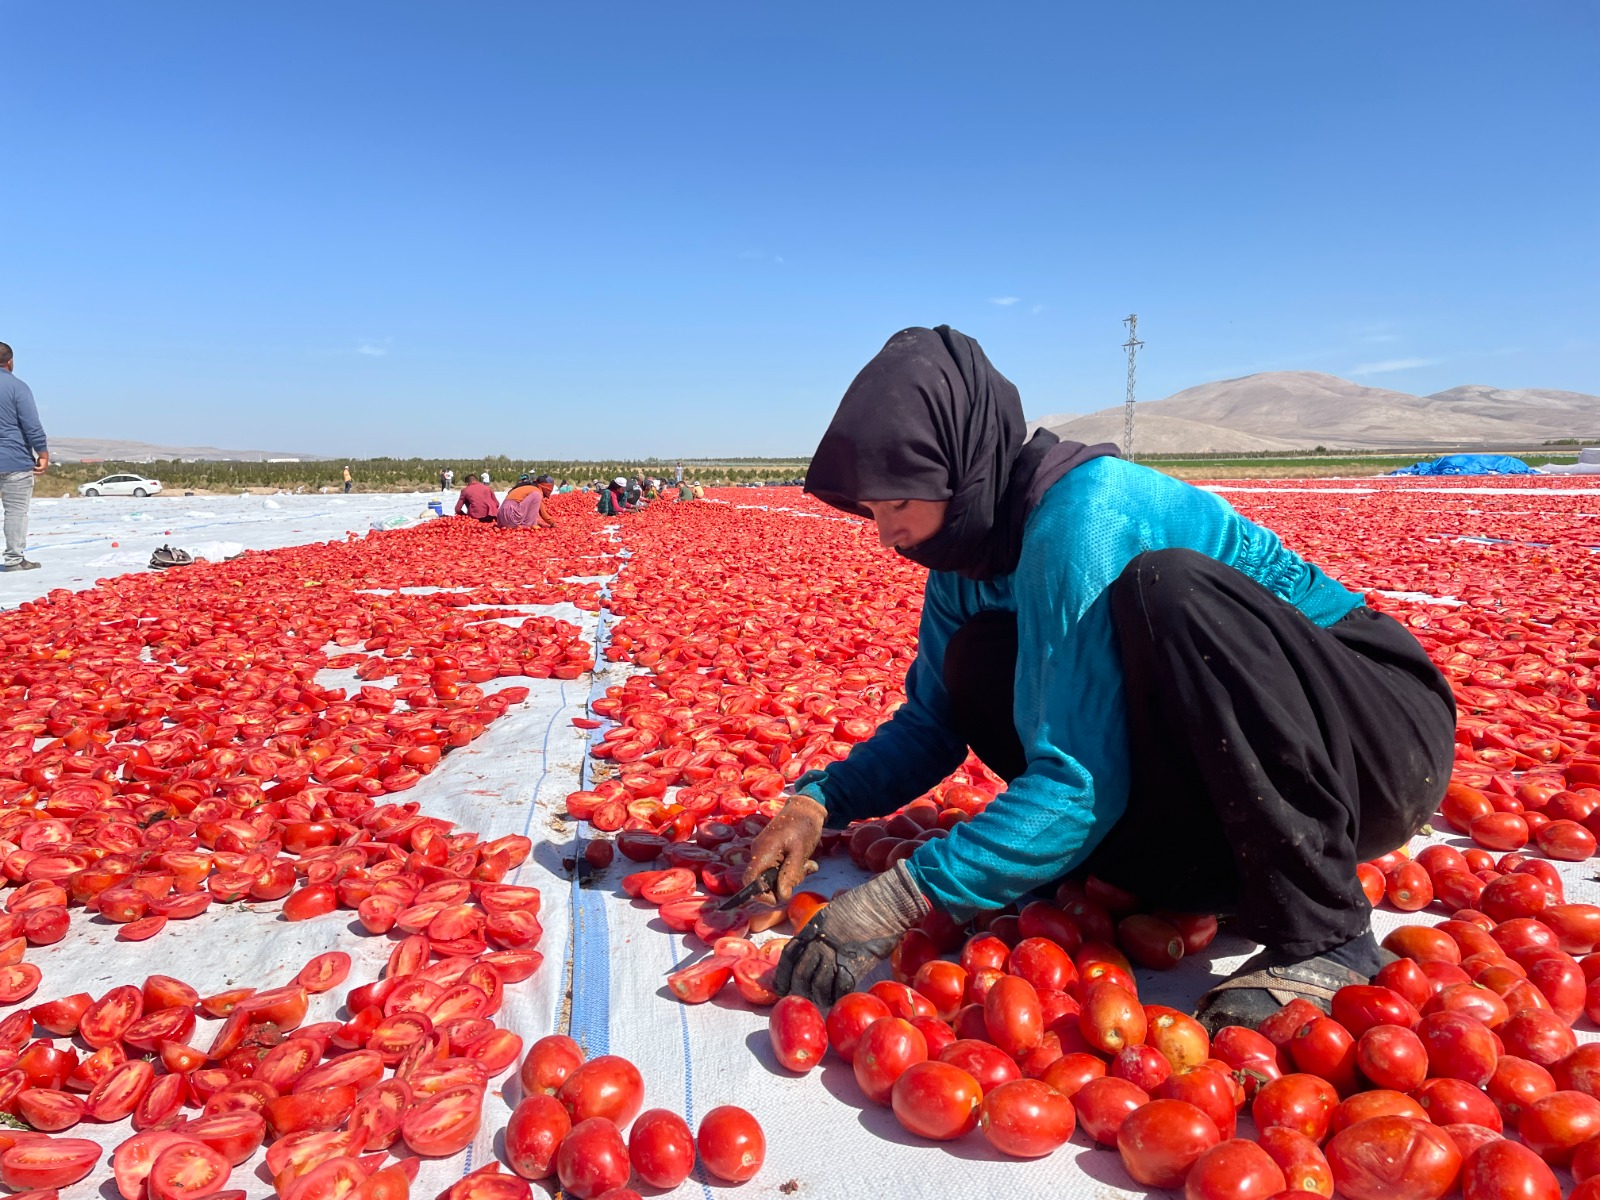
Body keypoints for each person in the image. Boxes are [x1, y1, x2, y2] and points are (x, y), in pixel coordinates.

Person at [745, 326, 1455, 1031]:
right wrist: (818, 803)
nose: (885, 536)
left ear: (959, 467)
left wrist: (903, 899)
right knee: (977, 658)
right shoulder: (964, 564)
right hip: (1229, 786)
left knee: (1169, 590)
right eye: (872, 512)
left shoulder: (1086, 515)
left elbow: (1080, 778)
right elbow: (934, 723)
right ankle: (1203, 876)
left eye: (897, 504)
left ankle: (1328, 932)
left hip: (1373, 741)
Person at [0, 343, 47, 572]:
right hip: (15, 460)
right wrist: (43, 452)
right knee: (16, 512)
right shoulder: (18, 387)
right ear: (10, 362)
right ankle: (14, 560)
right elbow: (31, 424)